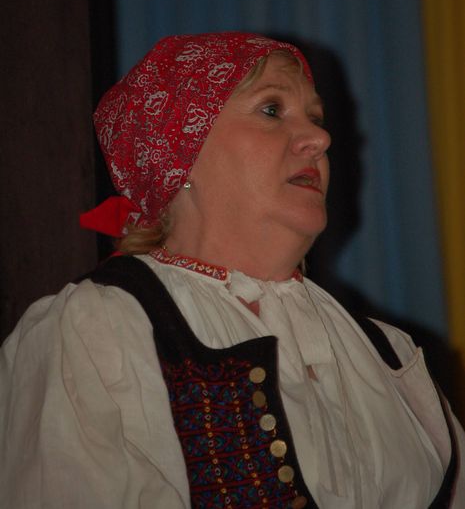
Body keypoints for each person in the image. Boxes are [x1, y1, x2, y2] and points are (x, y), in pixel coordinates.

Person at [0, 31, 463, 508]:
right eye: (271, 110)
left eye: (316, 118)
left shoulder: (389, 353)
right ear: (181, 151)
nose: (321, 139)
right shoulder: (98, 331)